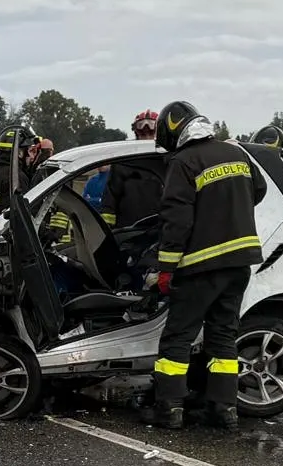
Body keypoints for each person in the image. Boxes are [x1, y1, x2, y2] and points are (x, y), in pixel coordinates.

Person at [142, 100, 267, 431]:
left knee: (178, 338)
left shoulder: (185, 161)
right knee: (223, 337)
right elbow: (259, 189)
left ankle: (169, 410)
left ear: (173, 131)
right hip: (240, 262)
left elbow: (177, 220)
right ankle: (224, 411)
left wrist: (166, 269)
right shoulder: (236, 154)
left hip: (201, 265)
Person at [102, 109, 165, 231]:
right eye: (143, 134)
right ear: (136, 133)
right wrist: (108, 231)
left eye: (151, 134)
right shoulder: (122, 163)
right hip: (128, 233)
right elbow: (109, 202)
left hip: (159, 233)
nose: (147, 138)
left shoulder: (168, 162)